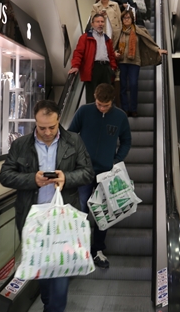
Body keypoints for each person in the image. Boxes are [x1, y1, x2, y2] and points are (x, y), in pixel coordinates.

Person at [0, 100, 94, 312]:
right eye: (42, 128)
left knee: (60, 275)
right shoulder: (21, 145)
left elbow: (88, 172)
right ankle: (48, 303)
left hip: (63, 220)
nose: (48, 132)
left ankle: (53, 308)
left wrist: (66, 177)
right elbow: (5, 176)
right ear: (35, 121)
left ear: (58, 119)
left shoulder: (74, 141)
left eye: (52, 127)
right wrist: (33, 179)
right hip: (33, 220)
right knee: (41, 271)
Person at [68, 83, 131, 270]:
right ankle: (80, 248)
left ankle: (98, 250)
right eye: (98, 103)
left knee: (104, 213)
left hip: (106, 173)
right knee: (81, 210)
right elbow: (71, 135)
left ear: (112, 101)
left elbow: (126, 141)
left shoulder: (120, 117)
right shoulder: (84, 111)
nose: (101, 107)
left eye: (105, 105)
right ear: (94, 98)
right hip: (84, 171)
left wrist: (116, 159)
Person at [112, 10, 167, 116]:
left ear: (132, 19)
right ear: (122, 20)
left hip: (135, 61)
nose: (126, 19)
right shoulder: (118, 32)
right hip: (122, 61)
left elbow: (147, 41)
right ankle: (125, 109)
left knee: (133, 84)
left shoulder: (138, 30)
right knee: (122, 86)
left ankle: (133, 109)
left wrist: (157, 49)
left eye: (128, 17)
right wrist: (114, 53)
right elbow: (112, 47)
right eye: (124, 18)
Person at [68, 14, 117, 103]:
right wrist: (75, 66)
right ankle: (91, 116)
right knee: (92, 95)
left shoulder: (107, 39)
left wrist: (113, 67)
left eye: (102, 22)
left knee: (106, 94)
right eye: (97, 22)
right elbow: (78, 52)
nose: (100, 24)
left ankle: (105, 115)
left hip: (106, 68)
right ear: (92, 23)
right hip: (92, 68)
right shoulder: (85, 37)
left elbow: (111, 55)